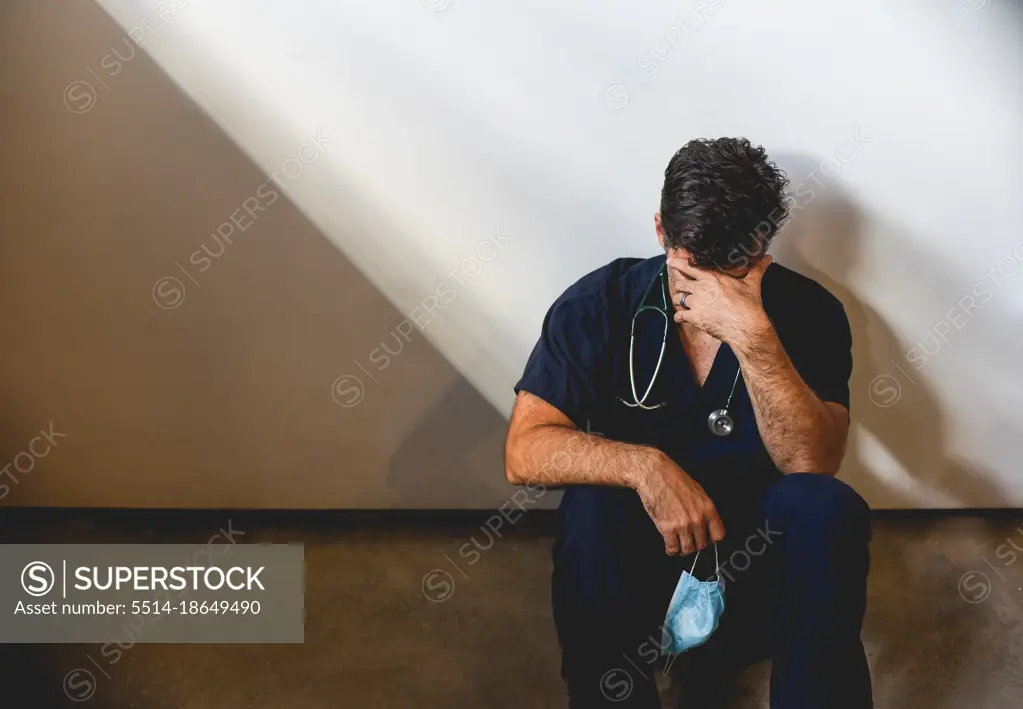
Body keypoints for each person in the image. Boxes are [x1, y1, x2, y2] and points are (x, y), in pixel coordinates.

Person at [504, 137, 872, 708]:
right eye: (694, 264)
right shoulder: (602, 300)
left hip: (757, 579)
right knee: (591, 505)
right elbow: (524, 452)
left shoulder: (810, 312)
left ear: (764, 248)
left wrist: (755, 340)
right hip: (641, 570)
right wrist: (643, 465)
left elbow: (813, 464)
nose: (713, 286)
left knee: (825, 506)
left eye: (735, 266)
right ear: (660, 231)